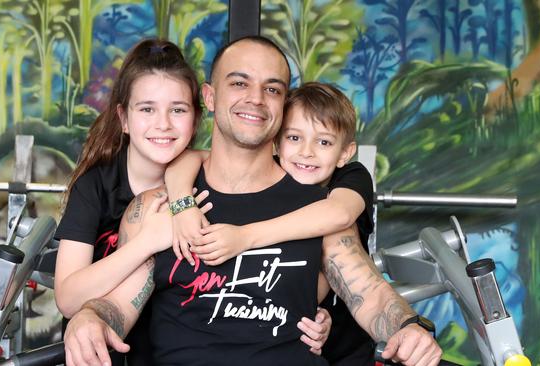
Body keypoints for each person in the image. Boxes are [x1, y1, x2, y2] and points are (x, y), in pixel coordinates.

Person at [63, 36, 442, 366]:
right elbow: (117, 304)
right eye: (239, 83)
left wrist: (409, 327)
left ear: (283, 104)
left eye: (273, 89)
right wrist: (89, 318)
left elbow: (370, 293)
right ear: (209, 97)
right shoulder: (160, 206)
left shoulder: (319, 211)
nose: (256, 99)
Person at [54, 38, 328, 365]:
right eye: (147, 109)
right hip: (107, 341)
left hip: (170, 341)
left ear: (197, 116)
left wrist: (313, 311)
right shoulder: (97, 186)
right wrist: (149, 241)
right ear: (124, 118)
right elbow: (68, 298)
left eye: (178, 110)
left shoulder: (202, 177)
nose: (163, 124)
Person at [164, 81, 377, 364]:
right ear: (276, 141)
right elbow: (192, 157)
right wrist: (182, 203)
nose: (307, 152)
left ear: (345, 153)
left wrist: (244, 237)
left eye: (324, 142)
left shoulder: (350, 177)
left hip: (345, 342)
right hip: (292, 332)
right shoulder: (271, 174)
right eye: (294, 138)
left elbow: (336, 216)